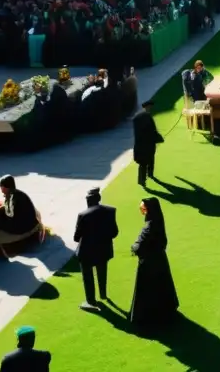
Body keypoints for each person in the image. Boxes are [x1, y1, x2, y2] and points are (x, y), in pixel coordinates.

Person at [129, 198, 180, 330]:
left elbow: (140, 245)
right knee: (162, 286)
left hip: (149, 262)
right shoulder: (158, 220)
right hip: (160, 259)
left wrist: (134, 247)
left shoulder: (149, 226)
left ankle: (150, 318)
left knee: (148, 289)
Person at [73, 187, 118, 311]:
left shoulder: (83, 215)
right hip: (103, 249)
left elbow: (76, 237)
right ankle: (103, 293)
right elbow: (114, 232)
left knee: (88, 277)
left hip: (86, 251)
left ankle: (91, 301)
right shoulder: (110, 211)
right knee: (102, 271)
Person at [0, 176, 42, 247]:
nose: (1, 190)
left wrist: (0, 212)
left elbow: (10, 214)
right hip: (31, 222)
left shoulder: (11, 197)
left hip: (23, 227)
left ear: (6, 187)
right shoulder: (19, 193)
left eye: (2, 187)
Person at [132, 101, 163, 187]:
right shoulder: (148, 117)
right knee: (150, 160)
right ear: (148, 107)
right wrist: (159, 138)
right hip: (148, 144)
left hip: (139, 144)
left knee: (142, 163)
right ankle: (149, 174)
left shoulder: (136, 117)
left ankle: (142, 179)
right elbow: (152, 131)